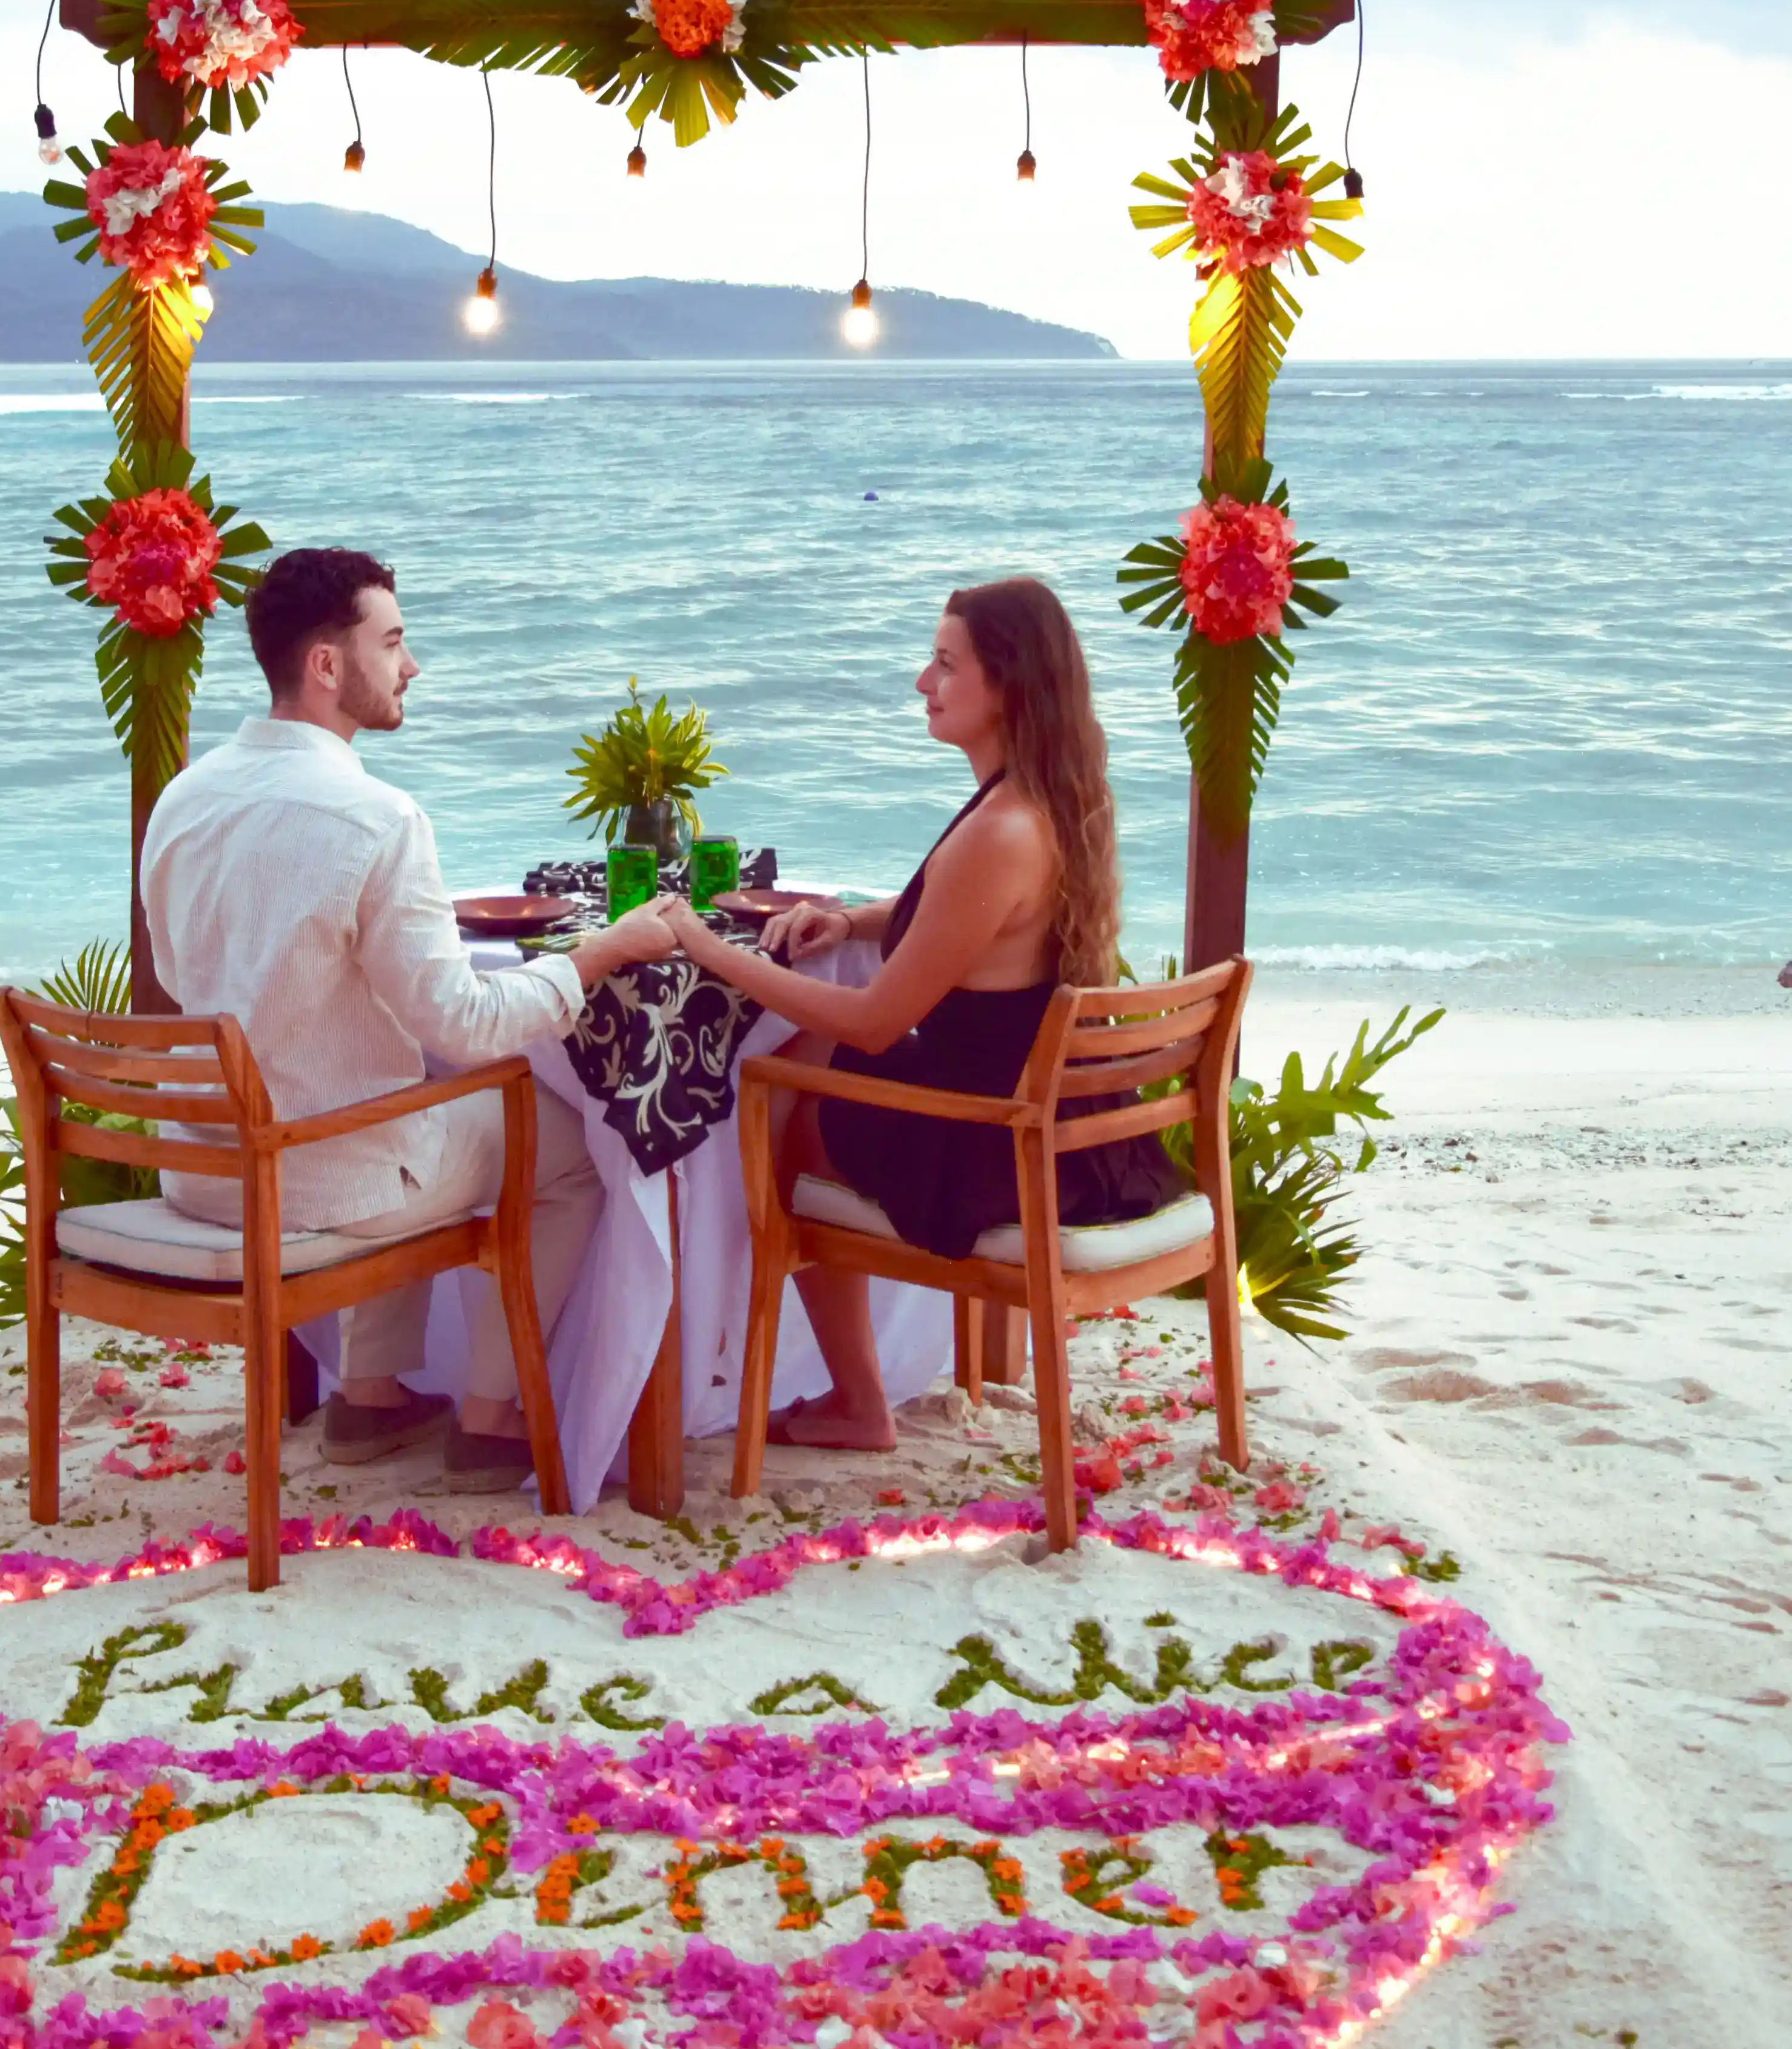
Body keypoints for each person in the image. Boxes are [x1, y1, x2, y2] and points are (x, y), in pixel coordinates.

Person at [140, 545, 676, 1490]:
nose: (411, 665)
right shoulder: (377, 817)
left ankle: (373, 1396)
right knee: (569, 1150)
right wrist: (600, 955)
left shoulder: (183, 796)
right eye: (393, 642)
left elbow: (191, 978)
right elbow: (466, 1022)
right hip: (307, 1180)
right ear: (326, 665)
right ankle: (489, 1414)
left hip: (203, 1162)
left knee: (404, 1092)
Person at [652, 575, 1178, 1453]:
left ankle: (847, 1397)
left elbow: (873, 1021)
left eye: (944, 663)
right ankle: (828, 1381)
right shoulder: (1050, 799)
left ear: (1006, 685)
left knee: (787, 1105)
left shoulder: (1000, 828)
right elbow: (967, 920)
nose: (920, 682)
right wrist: (851, 920)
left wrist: (712, 956)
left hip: (991, 1142)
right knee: (810, 1059)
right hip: (1066, 1122)